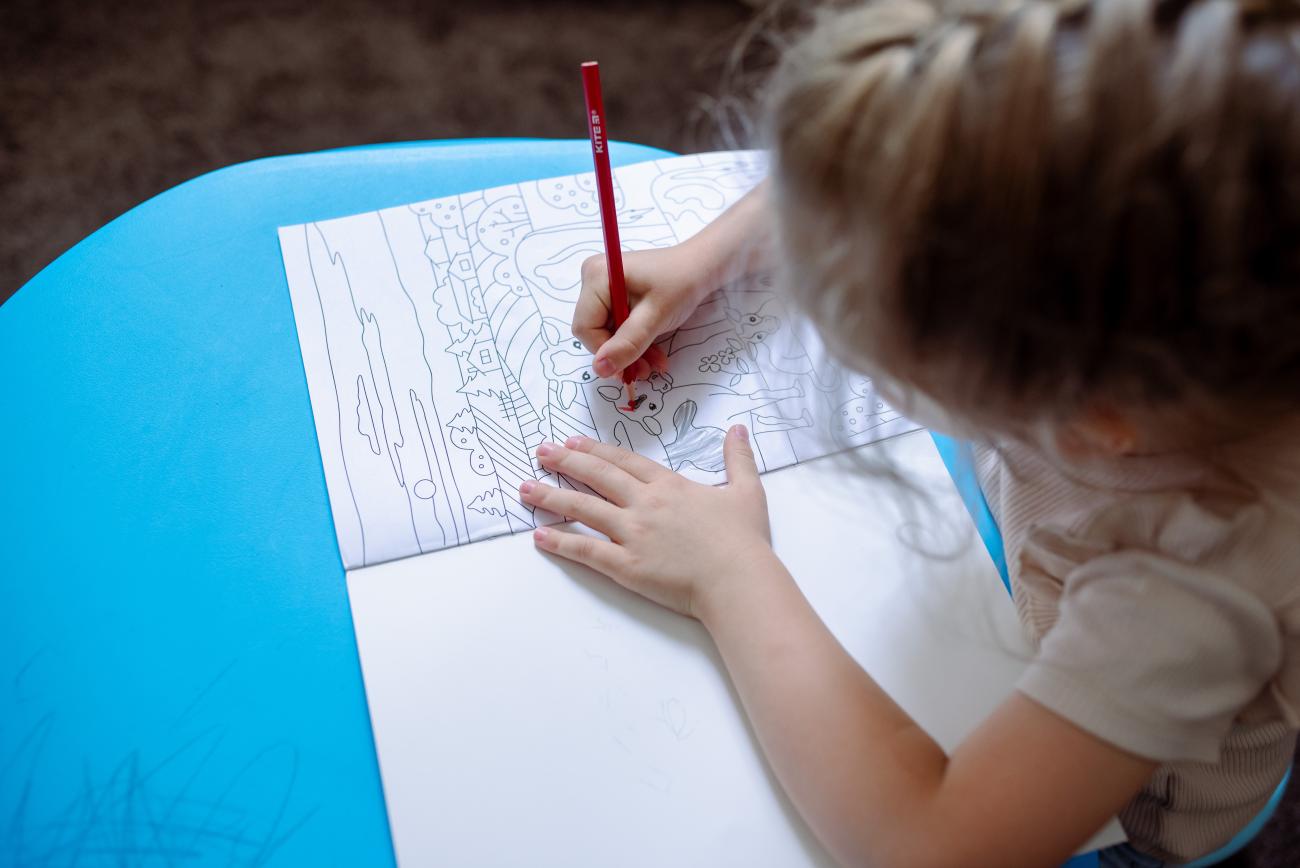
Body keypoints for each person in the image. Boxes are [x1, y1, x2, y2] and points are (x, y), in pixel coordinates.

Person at [518, 0, 1300, 864]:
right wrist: (708, 258)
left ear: (1085, 416)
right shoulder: (1143, 223)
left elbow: (928, 846)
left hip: (1117, 810)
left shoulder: (1187, 582)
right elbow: (929, 172)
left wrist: (727, 572)